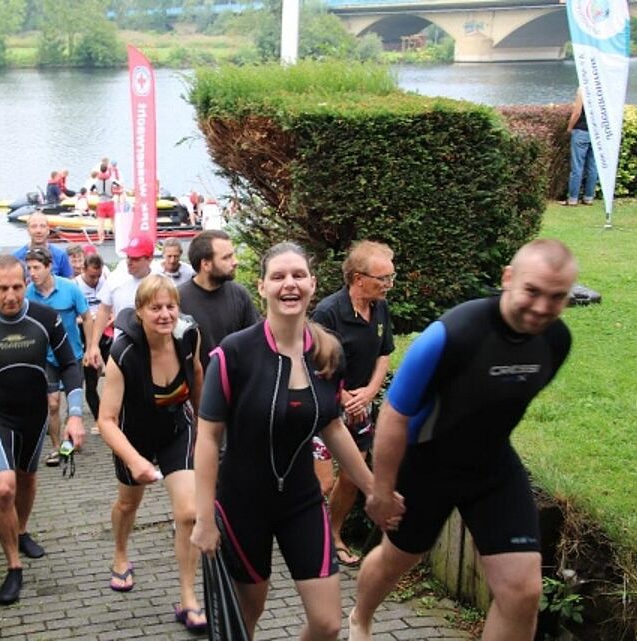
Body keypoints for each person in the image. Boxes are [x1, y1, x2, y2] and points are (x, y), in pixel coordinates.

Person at [348, 239, 578, 641]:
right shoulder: (454, 334)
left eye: (556, 297)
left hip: (492, 467)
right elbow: (394, 415)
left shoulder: (556, 341)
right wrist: (382, 491)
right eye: (532, 291)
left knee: (523, 592)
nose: (542, 308)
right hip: (426, 467)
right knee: (397, 560)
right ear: (508, 279)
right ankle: (360, 618)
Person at [191, 242, 392, 641]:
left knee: (327, 624)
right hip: (241, 503)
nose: (290, 284)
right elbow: (209, 438)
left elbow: (332, 425)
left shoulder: (327, 352)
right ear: (262, 286)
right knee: (245, 618)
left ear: (313, 284)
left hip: (301, 500)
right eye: (279, 276)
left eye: (298, 276)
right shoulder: (235, 353)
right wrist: (202, 518)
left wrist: (374, 491)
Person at [0, 255, 86, 606]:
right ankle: (13, 566)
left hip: (34, 413)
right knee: (3, 488)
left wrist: (74, 415)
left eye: (16, 287)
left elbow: (71, 365)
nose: (10, 296)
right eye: (2, 288)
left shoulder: (44, 318)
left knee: (26, 479)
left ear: (25, 283)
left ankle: (22, 530)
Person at [97, 275, 206, 633]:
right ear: (140, 311)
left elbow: (198, 378)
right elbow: (107, 420)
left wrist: (208, 428)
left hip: (177, 430)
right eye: (155, 307)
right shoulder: (124, 352)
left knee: (189, 512)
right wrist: (135, 460)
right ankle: (120, 553)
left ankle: (188, 597)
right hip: (134, 437)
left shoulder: (189, 337)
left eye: (170, 306)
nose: (164, 314)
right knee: (129, 504)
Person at [310, 241, 396, 567]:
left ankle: (333, 535)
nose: (388, 285)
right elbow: (317, 364)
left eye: (390, 278)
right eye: (382, 278)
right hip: (326, 406)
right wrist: (345, 396)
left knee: (351, 478)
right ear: (358, 278)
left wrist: (370, 392)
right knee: (324, 481)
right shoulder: (328, 312)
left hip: (361, 410)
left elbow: (384, 353)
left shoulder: (381, 309)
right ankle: (307, 533)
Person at [24, 246, 93, 466]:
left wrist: (92, 347)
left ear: (49, 267)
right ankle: (56, 448)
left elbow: (87, 317)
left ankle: (70, 437)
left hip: (71, 355)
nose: (32, 273)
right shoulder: (27, 293)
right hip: (45, 357)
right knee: (52, 403)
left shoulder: (69, 288)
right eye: (29, 268)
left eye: (36, 268)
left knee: (73, 403)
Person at [177, 230, 259, 371]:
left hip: (235, 387)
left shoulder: (240, 295)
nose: (235, 262)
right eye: (226, 257)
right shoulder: (177, 300)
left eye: (233, 255)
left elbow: (255, 344)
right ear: (206, 264)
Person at [84, 233, 156, 369]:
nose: (129, 261)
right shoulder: (116, 277)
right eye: (128, 256)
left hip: (153, 350)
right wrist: (94, 345)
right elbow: (103, 310)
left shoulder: (159, 281)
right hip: (121, 348)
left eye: (135, 258)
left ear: (149, 259)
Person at [74, 251, 111, 420]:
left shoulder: (106, 280)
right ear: (83, 269)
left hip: (106, 331)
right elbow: (72, 316)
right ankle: (98, 417)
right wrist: (87, 321)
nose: (95, 279)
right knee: (90, 379)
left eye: (97, 276)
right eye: (91, 276)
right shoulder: (75, 285)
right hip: (86, 333)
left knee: (111, 372)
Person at [13, 212, 73, 277]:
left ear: (48, 230)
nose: (38, 230)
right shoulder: (17, 257)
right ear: (28, 230)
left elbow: (68, 281)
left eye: (42, 226)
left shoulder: (60, 256)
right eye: (34, 226)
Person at [565, 88, 598, 206]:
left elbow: (577, 112)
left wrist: (569, 127)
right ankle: (588, 197)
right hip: (596, 132)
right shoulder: (601, 88)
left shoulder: (583, 89)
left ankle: (573, 198)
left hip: (581, 131)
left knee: (577, 166)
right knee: (592, 166)